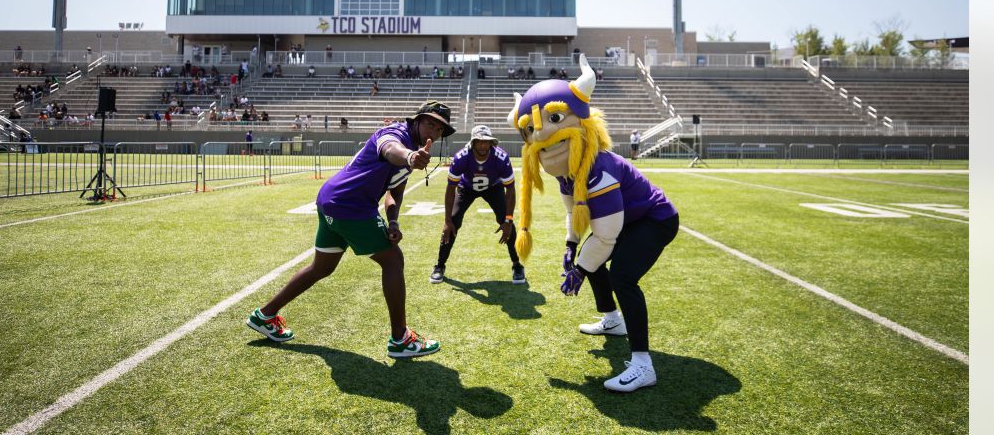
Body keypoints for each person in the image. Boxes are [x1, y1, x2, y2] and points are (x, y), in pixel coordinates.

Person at [508, 55, 679, 392]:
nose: (541, 133)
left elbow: (606, 234)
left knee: (622, 276)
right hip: (628, 219)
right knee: (592, 258)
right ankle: (613, 320)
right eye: (531, 129)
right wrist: (571, 246)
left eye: (554, 120)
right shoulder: (568, 170)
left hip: (655, 219)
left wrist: (579, 270)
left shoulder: (597, 167)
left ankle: (643, 364)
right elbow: (576, 213)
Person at [247, 101, 456, 359]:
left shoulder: (412, 146)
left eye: (439, 129)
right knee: (393, 260)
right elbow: (392, 150)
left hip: (332, 200)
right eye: (430, 123)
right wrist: (411, 157)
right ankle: (400, 339)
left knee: (321, 268)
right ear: (416, 121)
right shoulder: (396, 135)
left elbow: (394, 193)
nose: (433, 131)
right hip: (351, 205)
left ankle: (265, 315)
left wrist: (393, 222)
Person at [430, 125, 523, 285]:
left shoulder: (501, 158)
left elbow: (511, 190)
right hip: (467, 187)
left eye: (486, 142)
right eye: (478, 142)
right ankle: (439, 265)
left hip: (493, 187)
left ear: (491, 143)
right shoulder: (461, 157)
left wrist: (508, 220)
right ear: (472, 143)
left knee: (507, 223)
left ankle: (517, 265)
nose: (482, 145)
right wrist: (447, 221)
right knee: (453, 221)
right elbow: (450, 189)